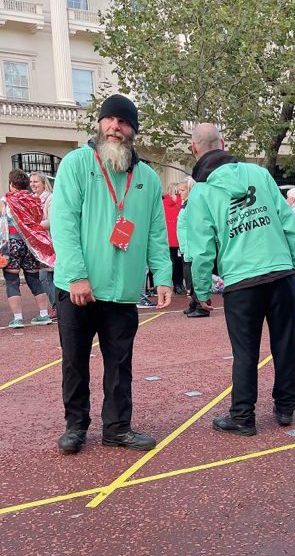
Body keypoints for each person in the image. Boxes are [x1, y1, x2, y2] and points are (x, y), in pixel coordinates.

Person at [51, 94, 172, 454]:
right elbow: (64, 222)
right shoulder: (76, 164)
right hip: (78, 288)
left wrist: (163, 276)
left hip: (122, 290)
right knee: (75, 362)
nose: (115, 127)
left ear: (134, 129)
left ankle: (117, 427)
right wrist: (75, 275)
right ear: (100, 124)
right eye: (110, 120)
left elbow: (155, 231)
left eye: (123, 122)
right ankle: (76, 426)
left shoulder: (147, 177)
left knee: (120, 364)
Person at [186, 123, 295, 435]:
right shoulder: (259, 175)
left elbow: (201, 248)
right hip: (279, 272)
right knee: (285, 343)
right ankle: (286, 407)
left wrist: (201, 289)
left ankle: (243, 416)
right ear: (223, 142)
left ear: (194, 149)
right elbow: (286, 220)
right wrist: (294, 260)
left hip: (241, 281)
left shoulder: (202, 192)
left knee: (245, 352)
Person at [2, 170, 55, 328]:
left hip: (12, 244)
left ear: (12, 184)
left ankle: (17, 318)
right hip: (30, 244)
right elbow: (38, 219)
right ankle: (44, 314)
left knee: (12, 281)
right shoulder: (34, 200)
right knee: (34, 279)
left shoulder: (6, 200)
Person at [176, 179, 206, 317]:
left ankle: (201, 304)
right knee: (189, 276)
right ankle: (194, 302)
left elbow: (193, 227)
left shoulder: (192, 205)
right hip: (185, 246)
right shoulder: (185, 204)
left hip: (191, 246)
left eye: (182, 190)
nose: (179, 193)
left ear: (189, 190)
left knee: (194, 276)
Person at [30, 171, 57, 318]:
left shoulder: (50, 199)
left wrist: (33, 226)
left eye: (36, 182)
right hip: (40, 244)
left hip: (51, 243)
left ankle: (58, 306)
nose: (33, 184)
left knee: (45, 276)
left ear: (43, 183)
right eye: (31, 182)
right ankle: (58, 306)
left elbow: (52, 222)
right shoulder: (33, 200)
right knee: (48, 276)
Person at [162, 183, 185, 294]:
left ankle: (177, 285)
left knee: (175, 263)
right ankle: (178, 284)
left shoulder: (164, 202)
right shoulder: (180, 202)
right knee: (179, 263)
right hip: (177, 237)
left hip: (172, 238)